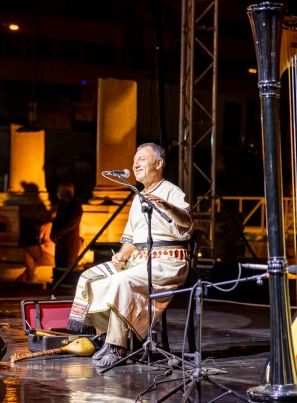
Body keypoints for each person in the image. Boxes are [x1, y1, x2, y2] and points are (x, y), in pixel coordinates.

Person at [67, 142, 193, 367]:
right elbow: (130, 239)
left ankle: (117, 346)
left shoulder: (171, 191)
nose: (135, 164)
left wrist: (167, 206)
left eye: (142, 159)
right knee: (92, 279)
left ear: (159, 163)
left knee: (121, 282)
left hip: (168, 262)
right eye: (134, 160)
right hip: (140, 261)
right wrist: (122, 256)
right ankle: (105, 338)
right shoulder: (138, 198)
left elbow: (187, 223)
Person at [50, 181, 83, 270]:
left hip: (69, 244)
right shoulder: (62, 204)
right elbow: (57, 221)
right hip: (60, 243)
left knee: (67, 268)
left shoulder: (75, 206)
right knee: (59, 267)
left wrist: (56, 234)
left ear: (65, 192)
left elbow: (70, 225)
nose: (59, 193)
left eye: (60, 191)